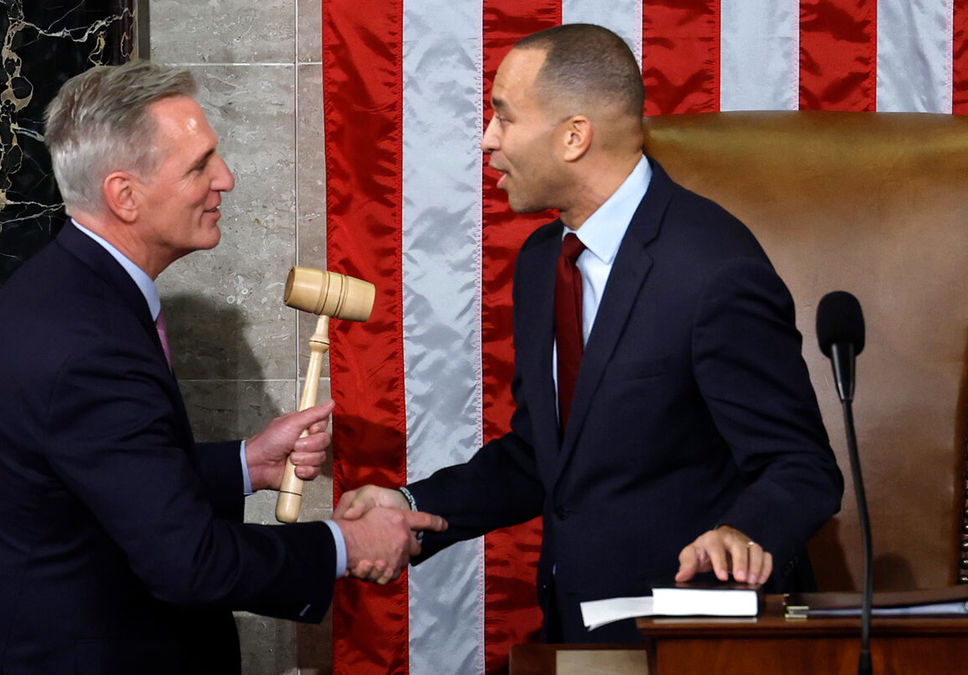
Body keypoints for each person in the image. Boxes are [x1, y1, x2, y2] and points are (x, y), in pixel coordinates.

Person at [0, 60, 446, 674]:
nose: (224, 178)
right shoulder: (88, 341)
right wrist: (347, 542)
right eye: (199, 165)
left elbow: (102, 474)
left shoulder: (67, 290)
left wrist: (244, 464)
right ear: (125, 195)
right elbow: (189, 563)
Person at [336, 24, 844, 644]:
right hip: (576, 631)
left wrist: (744, 531)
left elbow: (802, 468)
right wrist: (409, 506)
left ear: (574, 136)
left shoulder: (714, 270)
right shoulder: (541, 261)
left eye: (504, 117)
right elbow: (544, 457)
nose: (487, 140)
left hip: (689, 638)